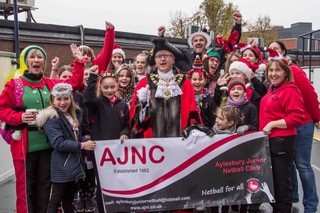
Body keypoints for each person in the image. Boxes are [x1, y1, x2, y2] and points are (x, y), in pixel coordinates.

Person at [0, 44, 85, 213]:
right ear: (26, 61)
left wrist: (78, 62)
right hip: (25, 147)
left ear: (45, 62)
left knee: (45, 188)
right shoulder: (14, 85)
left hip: (49, 147)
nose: (36, 60)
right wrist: (19, 117)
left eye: (40, 57)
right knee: (25, 189)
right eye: (32, 57)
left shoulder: (50, 83)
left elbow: (73, 84)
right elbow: (2, 109)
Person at [267, 43, 320, 213]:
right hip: (285, 127)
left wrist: (317, 117)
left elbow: (310, 95)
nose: (274, 51)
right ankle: (294, 198)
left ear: (283, 51)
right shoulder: (272, 78)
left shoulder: (294, 71)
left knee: (302, 165)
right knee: (288, 165)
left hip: (302, 123)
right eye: (270, 48)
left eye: (277, 48)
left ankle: (311, 206)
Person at [36, 83, 96, 213]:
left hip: (73, 163)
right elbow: (58, 143)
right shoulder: (52, 118)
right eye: (59, 99)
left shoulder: (74, 115)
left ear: (71, 98)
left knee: (68, 198)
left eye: (66, 98)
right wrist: (83, 145)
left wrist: (87, 140)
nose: (63, 102)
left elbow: (75, 137)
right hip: (61, 165)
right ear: (53, 100)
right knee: (56, 199)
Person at [130, 37, 202, 138]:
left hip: (179, 140)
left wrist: (194, 129)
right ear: (155, 60)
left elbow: (192, 110)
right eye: (159, 56)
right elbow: (134, 117)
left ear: (173, 59)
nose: (163, 59)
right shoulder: (144, 83)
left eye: (166, 56)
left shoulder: (184, 82)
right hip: (152, 143)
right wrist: (141, 105)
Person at [259, 58, 306, 212]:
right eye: (271, 70)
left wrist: (273, 124)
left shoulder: (290, 90)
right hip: (270, 141)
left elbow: (297, 117)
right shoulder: (272, 90)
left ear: (286, 73)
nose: (273, 74)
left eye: (277, 70)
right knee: (274, 183)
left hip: (282, 141)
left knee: (281, 184)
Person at [84, 69, 130, 212]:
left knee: (119, 182)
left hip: (119, 152)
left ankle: (119, 208)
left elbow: (127, 125)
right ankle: (103, 209)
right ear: (100, 88)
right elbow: (87, 100)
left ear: (117, 85)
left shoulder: (123, 105)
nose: (109, 90)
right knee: (103, 184)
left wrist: (124, 133)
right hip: (101, 153)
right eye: (105, 87)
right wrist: (92, 78)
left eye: (112, 87)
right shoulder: (97, 103)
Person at [220, 77, 259, 213]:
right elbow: (218, 123)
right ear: (229, 92)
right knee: (226, 183)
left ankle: (242, 209)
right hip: (227, 153)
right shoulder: (224, 108)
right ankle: (225, 208)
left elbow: (256, 125)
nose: (236, 91)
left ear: (244, 91)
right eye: (233, 89)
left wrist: (247, 127)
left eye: (239, 89)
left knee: (241, 184)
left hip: (244, 153)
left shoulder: (250, 107)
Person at [187, 55, 216, 128]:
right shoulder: (186, 98)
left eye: (200, 79)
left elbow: (213, 120)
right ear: (190, 80)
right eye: (194, 79)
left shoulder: (209, 100)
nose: (197, 82)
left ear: (205, 80)